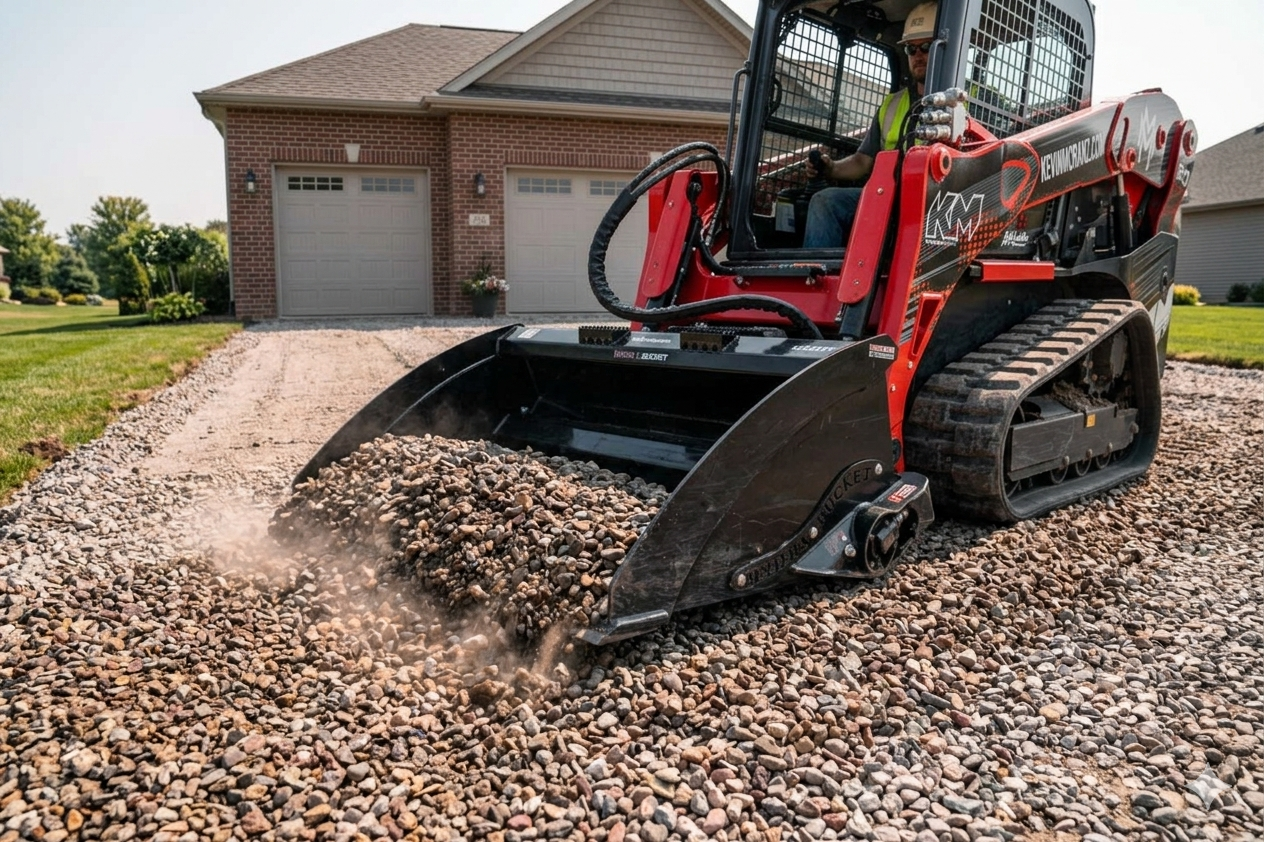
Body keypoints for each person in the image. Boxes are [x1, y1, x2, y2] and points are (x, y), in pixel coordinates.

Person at [801, 1, 938, 250]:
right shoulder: (894, 104)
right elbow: (863, 161)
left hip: (936, 207)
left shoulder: (963, 103)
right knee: (825, 202)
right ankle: (818, 277)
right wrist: (830, 168)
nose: (918, 55)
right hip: (888, 197)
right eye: (911, 49)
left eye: (926, 47)